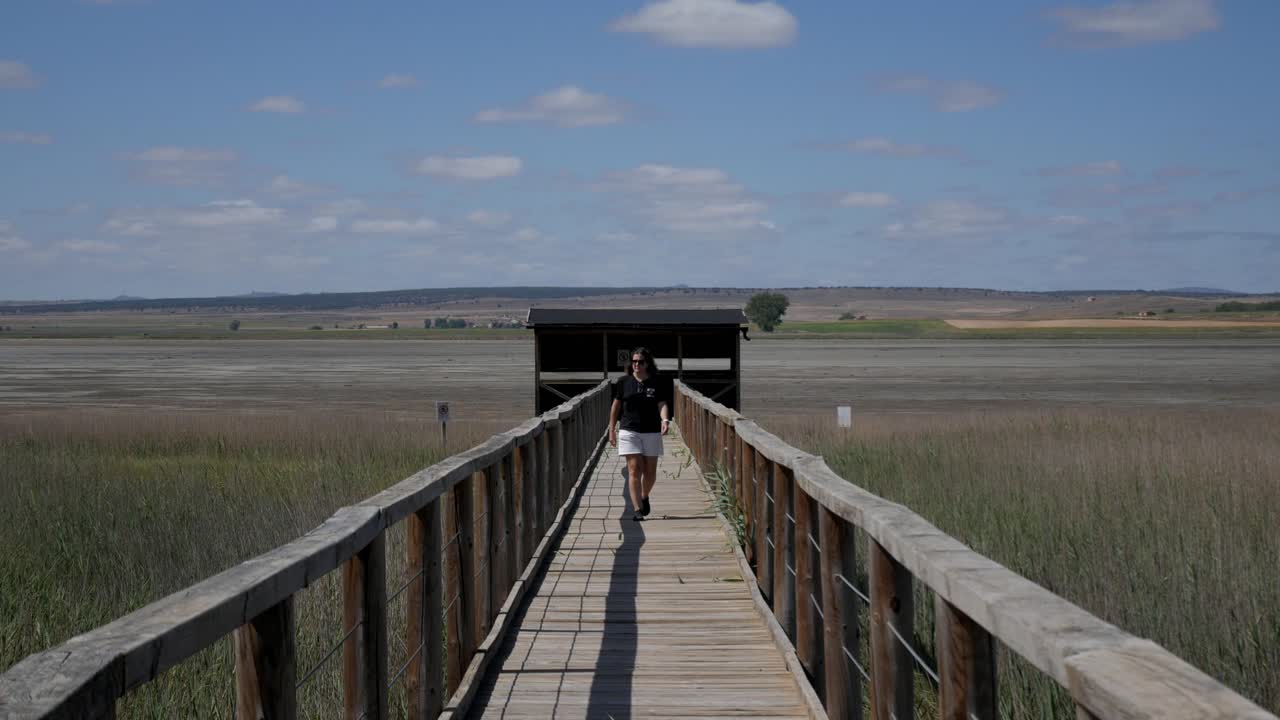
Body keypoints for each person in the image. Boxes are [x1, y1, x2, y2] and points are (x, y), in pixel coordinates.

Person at [608, 346, 672, 521]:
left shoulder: (656, 382)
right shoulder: (623, 382)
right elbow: (616, 407)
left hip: (651, 430)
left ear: (647, 364)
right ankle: (637, 509)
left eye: (640, 362)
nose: (636, 364)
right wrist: (611, 429)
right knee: (635, 468)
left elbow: (662, 404)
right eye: (634, 361)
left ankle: (644, 495)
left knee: (650, 472)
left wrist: (665, 420)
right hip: (629, 430)